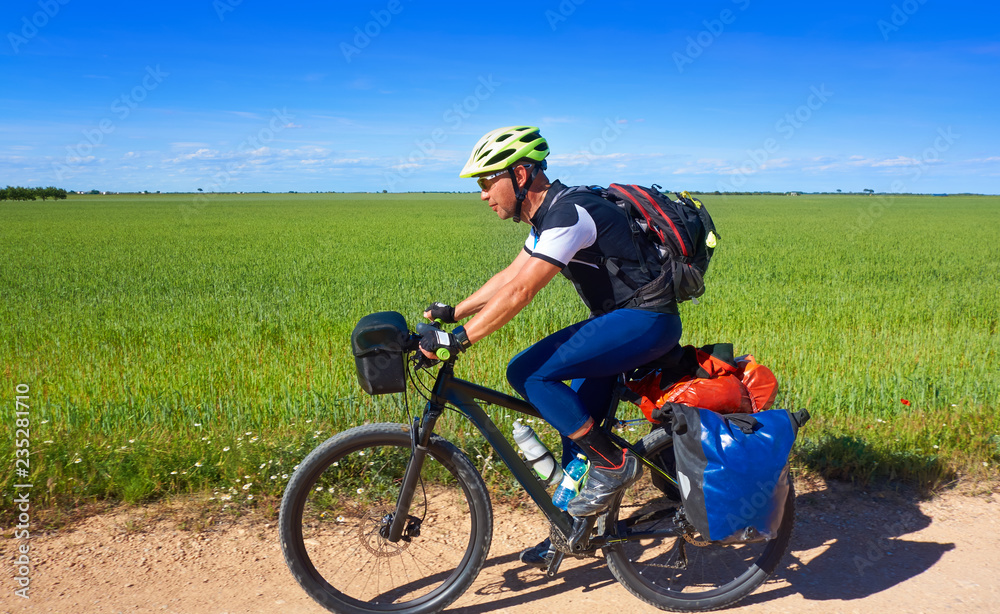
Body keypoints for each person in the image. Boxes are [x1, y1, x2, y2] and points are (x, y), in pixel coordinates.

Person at [418, 125, 682, 567]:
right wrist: (454, 313)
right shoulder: (550, 214)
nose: (484, 194)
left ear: (520, 175)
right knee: (575, 426)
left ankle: (615, 464)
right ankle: (569, 532)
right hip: (624, 322)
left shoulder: (570, 214)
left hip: (645, 321)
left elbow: (523, 292)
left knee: (529, 373)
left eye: (488, 182)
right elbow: (509, 276)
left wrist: (458, 340)